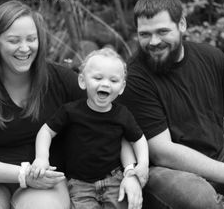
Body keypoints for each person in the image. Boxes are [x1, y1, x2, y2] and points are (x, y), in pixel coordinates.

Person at [0, 1, 142, 209]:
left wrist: (130, 171)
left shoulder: (59, 79)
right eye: (13, 40)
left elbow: (115, 120)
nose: (24, 48)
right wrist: (23, 174)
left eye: (31, 39)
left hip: (45, 183)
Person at [119, 0, 224, 209]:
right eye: (145, 34)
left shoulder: (209, 58)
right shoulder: (135, 77)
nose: (154, 42)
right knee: (198, 194)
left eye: (162, 31)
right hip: (162, 174)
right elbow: (162, 152)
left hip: (216, 158)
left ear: (182, 25)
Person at [31, 47, 149, 209]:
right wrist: (42, 158)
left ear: (121, 87)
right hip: (80, 184)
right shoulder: (70, 111)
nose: (105, 84)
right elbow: (46, 132)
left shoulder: (122, 114)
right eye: (98, 78)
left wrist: (142, 164)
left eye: (113, 81)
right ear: (82, 81)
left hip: (114, 179)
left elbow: (138, 139)